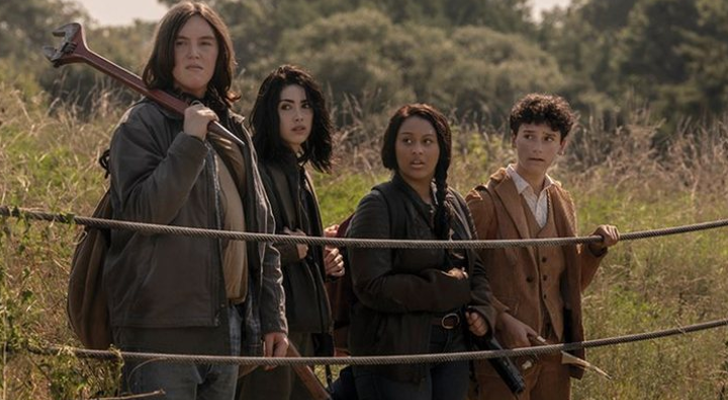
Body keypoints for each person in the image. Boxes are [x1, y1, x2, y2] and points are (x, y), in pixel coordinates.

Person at [103, 2, 288, 399]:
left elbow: (262, 232)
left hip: (228, 324)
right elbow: (142, 215)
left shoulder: (233, 128)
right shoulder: (141, 124)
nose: (193, 53)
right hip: (161, 329)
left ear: (220, 54)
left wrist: (273, 316)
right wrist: (188, 142)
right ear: (165, 52)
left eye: (205, 43)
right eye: (181, 43)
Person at [465, 93, 620, 400]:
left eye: (548, 138)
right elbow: (460, 275)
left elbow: (569, 285)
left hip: (554, 353)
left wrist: (594, 250)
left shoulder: (562, 201)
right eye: (529, 136)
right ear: (513, 138)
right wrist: (502, 319)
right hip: (500, 354)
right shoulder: (484, 201)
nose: (537, 147)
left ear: (562, 145)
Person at [346, 103, 496, 400]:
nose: (417, 150)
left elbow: (475, 267)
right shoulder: (378, 204)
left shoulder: (454, 201)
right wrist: (445, 288)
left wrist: (482, 310)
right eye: (407, 141)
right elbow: (370, 286)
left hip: (453, 349)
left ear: (442, 149)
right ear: (393, 147)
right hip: (395, 353)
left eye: (427, 141)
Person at [236, 64, 344, 400]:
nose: (298, 116)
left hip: (303, 321)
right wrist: (291, 249)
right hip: (271, 321)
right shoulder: (256, 167)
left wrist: (321, 257)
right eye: (286, 107)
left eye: (305, 106)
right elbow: (241, 245)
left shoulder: (299, 170)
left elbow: (303, 244)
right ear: (271, 114)